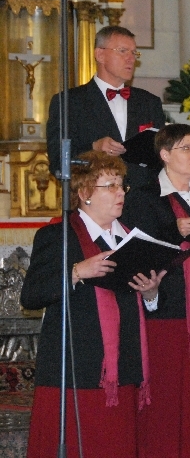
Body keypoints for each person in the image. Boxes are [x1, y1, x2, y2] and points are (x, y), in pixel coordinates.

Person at [21, 151, 164, 458]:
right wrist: (76, 271)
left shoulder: (131, 239)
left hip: (122, 370)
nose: (121, 192)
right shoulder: (58, 236)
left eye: (122, 185)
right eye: (110, 185)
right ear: (85, 192)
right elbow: (31, 296)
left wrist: (150, 294)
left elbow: (140, 305)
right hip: (77, 371)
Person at [119, 124, 190, 458]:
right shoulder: (144, 196)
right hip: (168, 308)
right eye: (186, 148)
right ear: (164, 154)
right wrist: (173, 230)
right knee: (170, 402)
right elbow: (138, 251)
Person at [46, 26, 165, 191]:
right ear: (100, 55)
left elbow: (163, 159)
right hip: (95, 199)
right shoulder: (69, 102)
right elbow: (59, 162)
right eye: (123, 51)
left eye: (134, 53)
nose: (131, 59)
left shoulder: (149, 102)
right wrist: (94, 148)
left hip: (143, 200)